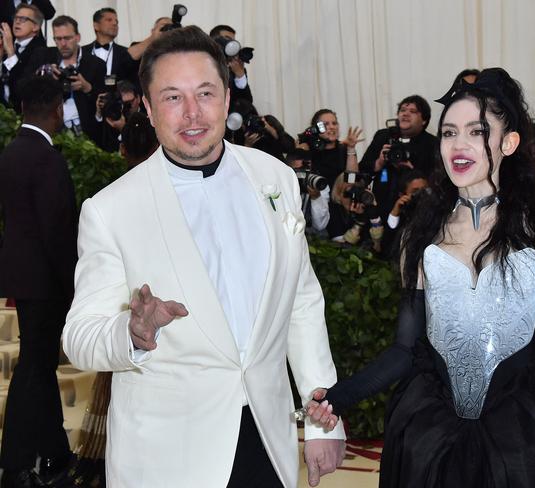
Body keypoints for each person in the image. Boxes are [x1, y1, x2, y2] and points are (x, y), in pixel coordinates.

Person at [304, 68, 535, 487]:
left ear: (509, 142)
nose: (459, 144)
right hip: (431, 430)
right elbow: (403, 349)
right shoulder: (421, 230)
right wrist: (338, 398)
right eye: (449, 132)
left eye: (476, 131)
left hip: (522, 431)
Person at [62, 26, 345, 488]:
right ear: (148, 109)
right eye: (172, 98)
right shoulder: (111, 210)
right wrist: (132, 332)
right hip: (168, 456)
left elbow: (302, 303)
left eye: (206, 93)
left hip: (266, 441)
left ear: (227, 100)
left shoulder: (274, 177)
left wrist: (321, 419)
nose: (193, 113)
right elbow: (80, 337)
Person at [0, 75, 77, 488]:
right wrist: (72, 285)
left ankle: (54, 454)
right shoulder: (46, 158)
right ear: (55, 109)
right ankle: (14, 465)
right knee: (33, 369)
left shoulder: (12, 152)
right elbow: (56, 232)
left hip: (24, 280)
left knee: (40, 367)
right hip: (46, 283)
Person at [359, 95, 438, 221]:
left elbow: (436, 181)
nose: (405, 114)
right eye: (402, 110)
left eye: (412, 111)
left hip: (415, 211)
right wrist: (378, 164)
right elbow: (362, 169)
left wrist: (413, 171)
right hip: (381, 208)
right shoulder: (383, 136)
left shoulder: (433, 144)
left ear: (424, 120)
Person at [28, 15, 105, 139]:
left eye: (67, 38)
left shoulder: (96, 64)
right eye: (58, 39)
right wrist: (43, 73)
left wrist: (87, 88)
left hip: (85, 129)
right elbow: (24, 85)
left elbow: (105, 99)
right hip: (51, 127)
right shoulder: (43, 57)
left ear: (78, 37)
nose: (63, 43)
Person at [300, 108, 363, 189]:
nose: (332, 127)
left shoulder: (344, 149)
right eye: (326, 124)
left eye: (334, 123)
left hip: (338, 198)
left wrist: (351, 148)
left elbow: (352, 180)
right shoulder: (307, 149)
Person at [0, 3, 46, 111]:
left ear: (36, 26)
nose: (17, 21)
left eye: (24, 19)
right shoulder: (6, 45)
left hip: (25, 112)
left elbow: (23, 85)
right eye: (16, 18)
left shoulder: (41, 52)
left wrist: (11, 52)